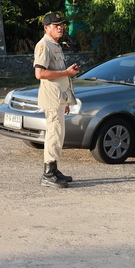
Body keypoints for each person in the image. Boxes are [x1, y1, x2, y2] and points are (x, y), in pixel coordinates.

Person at [34, 12, 79, 188]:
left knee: (58, 134)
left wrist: (66, 101)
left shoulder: (55, 45)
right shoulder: (44, 45)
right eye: (56, 25)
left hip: (59, 98)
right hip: (52, 98)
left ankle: (54, 169)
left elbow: (59, 76)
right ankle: (48, 174)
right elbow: (39, 73)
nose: (60, 28)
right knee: (53, 134)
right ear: (47, 28)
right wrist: (66, 72)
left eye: (61, 25)